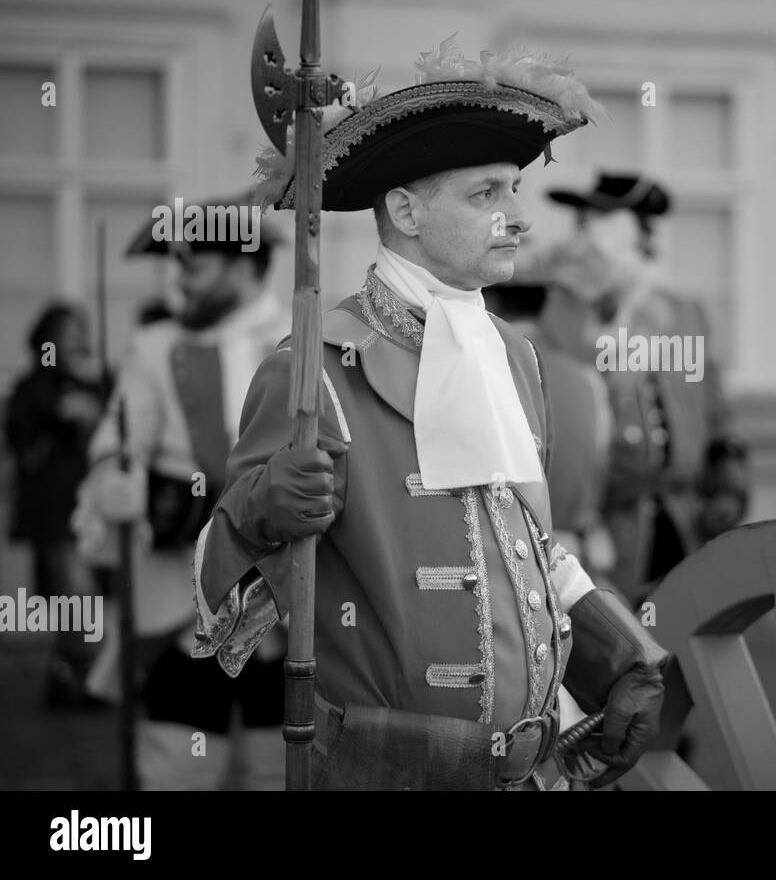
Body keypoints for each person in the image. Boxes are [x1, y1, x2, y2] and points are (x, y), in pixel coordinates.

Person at [193, 39, 669, 791]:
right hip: (386, 772)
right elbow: (219, 599)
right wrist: (260, 508)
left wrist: (623, 653)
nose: (518, 217)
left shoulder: (514, 354)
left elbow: (530, 546)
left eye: (515, 190)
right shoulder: (312, 367)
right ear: (406, 211)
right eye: (487, 195)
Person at [73, 196, 291, 789]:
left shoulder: (307, 339)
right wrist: (113, 477)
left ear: (243, 268)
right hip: (182, 593)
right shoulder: (153, 346)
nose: (180, 281)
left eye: (194, 266)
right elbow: (118, 437)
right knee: (178, 761)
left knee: (283, 763)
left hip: (291, 600)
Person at [547, 173, 750, 601]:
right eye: (588, 227)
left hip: (684, 521)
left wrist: (729, 484)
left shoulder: (685, 314)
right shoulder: (559, 315)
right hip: (603, 527)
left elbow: (716, 413)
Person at [483, 233, 620, 591]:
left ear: (489, 297)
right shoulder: (588, 381)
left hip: (501, 566)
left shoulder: (478, 373)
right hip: (575, 568)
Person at [4, 303, 105, 708]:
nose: (79, 339)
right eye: (69, 331)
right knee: (71, 598)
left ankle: (71, 680)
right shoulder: (34, 389)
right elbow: (23, 441)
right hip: (56, 515)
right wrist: (59, 412)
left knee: (82, 600)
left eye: (82, 329)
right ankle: (74, 680)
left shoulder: (90, 384)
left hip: (88, 514)